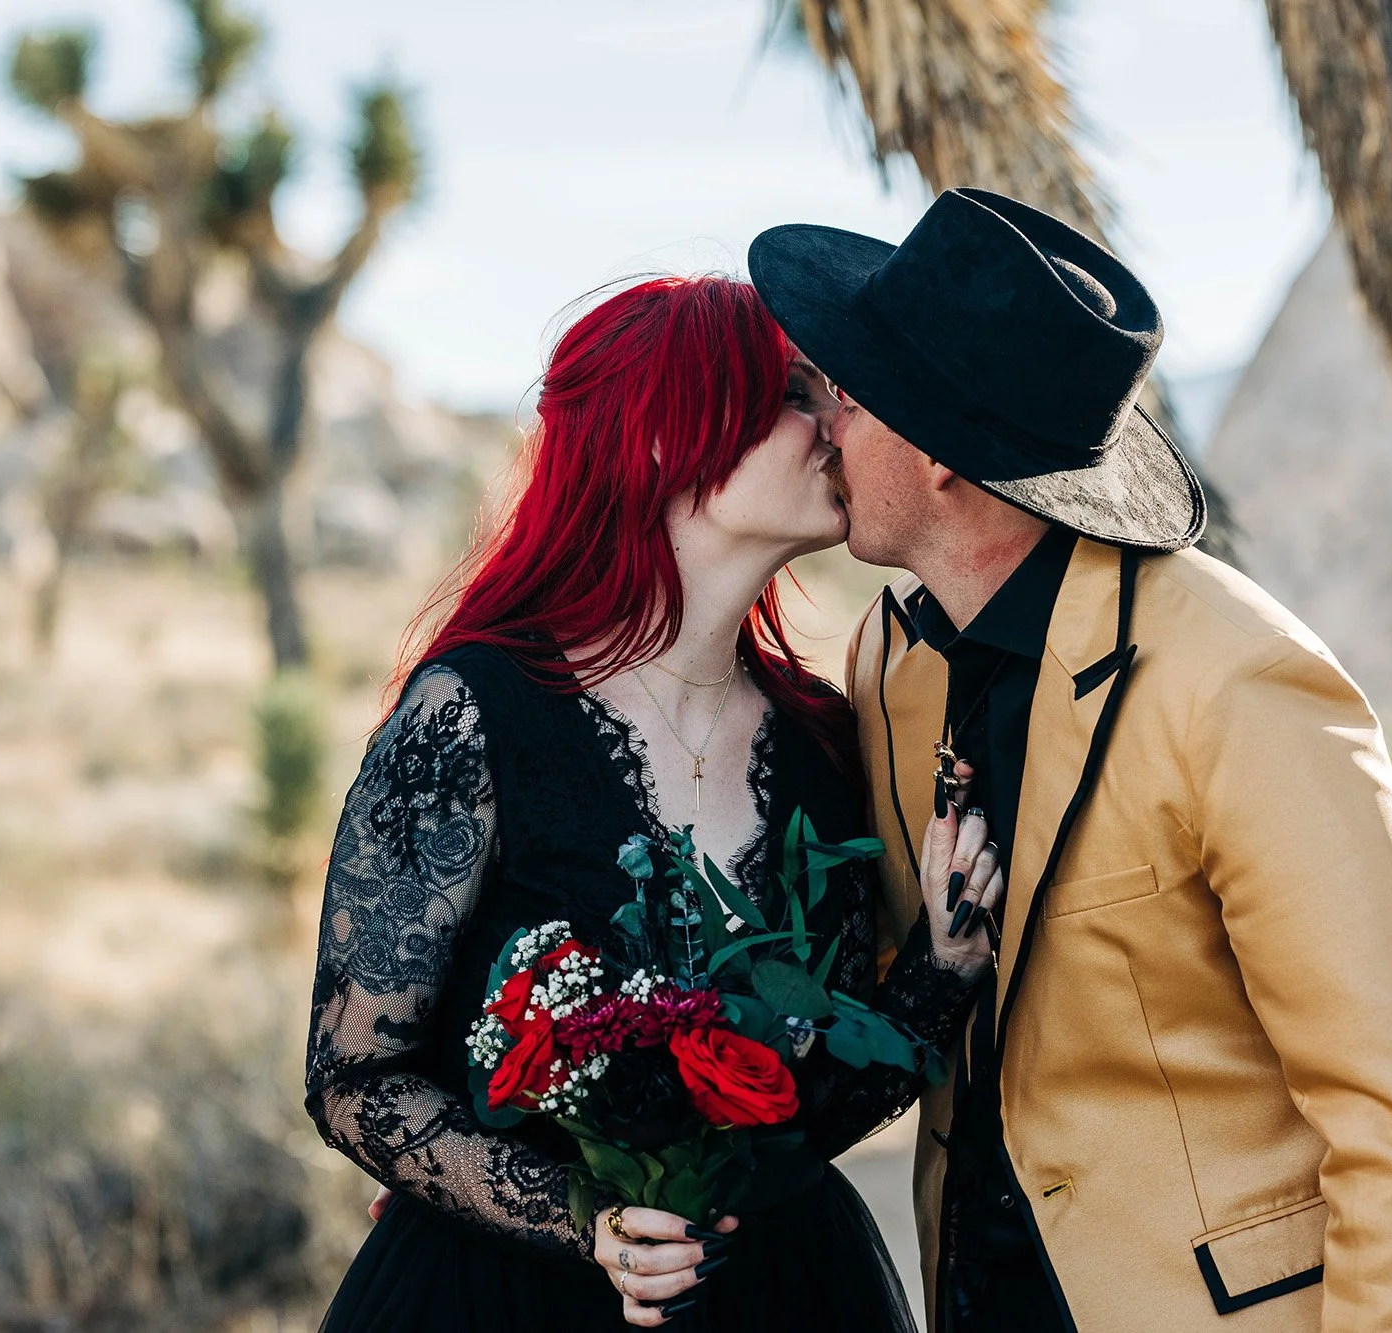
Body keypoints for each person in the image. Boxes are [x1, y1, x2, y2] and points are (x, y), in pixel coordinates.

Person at [749, 190, 1392, 1331]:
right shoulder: (883, 664)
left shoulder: (1240, 680)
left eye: (844, 395)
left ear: (937, 453)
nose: (821, 426)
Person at [303, 275, 1001, 1332]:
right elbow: (356, 1074)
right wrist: (583, 1218)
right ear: (671, 437)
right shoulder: (474, 713)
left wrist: (941, 972)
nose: (836, 422)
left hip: (777, 1292)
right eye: (795, 394)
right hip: (503, 1299)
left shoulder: (824, 738)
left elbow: (809, 1105)